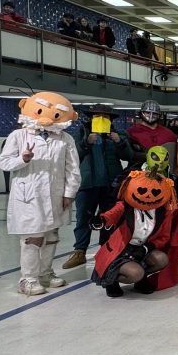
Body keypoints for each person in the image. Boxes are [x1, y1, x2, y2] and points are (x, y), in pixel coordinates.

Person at [0, 91, 81, 296]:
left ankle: (45, 273)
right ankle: (28, 278)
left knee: (51, 234)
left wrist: (69, 192)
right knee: (32, 237)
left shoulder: (65, 139)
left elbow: (73, 168)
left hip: (56, 194)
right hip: (28, 196)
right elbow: (3, 163)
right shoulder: (18, 135)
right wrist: (23, 159)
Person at [62, 104, 133, 269]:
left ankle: (107, 249)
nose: (101, 119)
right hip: (87, 183)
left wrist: (119, 142)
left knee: (110, 218)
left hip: (111, 183)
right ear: (91, 118)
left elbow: (128, 155)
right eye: (97, 116)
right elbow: (74, 156)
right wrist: (87, 142)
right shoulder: (82, 132)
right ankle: (80, 251)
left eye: (105, 117)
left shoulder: (118, 133)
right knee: (83, 218)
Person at [89, 171, 175, 297]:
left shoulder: (163, 212)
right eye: (142, 190)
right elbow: (111, 215)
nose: (148, 196)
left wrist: (146, 248)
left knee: (161, 259)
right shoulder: (125, 206)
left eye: (155, 192)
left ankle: (141, 280)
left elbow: (164, 236)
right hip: (121, 249)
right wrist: (100, 221)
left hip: (143, 248)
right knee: (136, 273)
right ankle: (111, 281)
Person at [127, 100, 176, 171]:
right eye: (147, 112)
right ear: (141, 113)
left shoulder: (168, 133)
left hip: (163, 170)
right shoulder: (131, 131)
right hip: (139, 170)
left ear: (159, 115)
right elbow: (127, 154)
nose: (151, 116)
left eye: (155, 113)